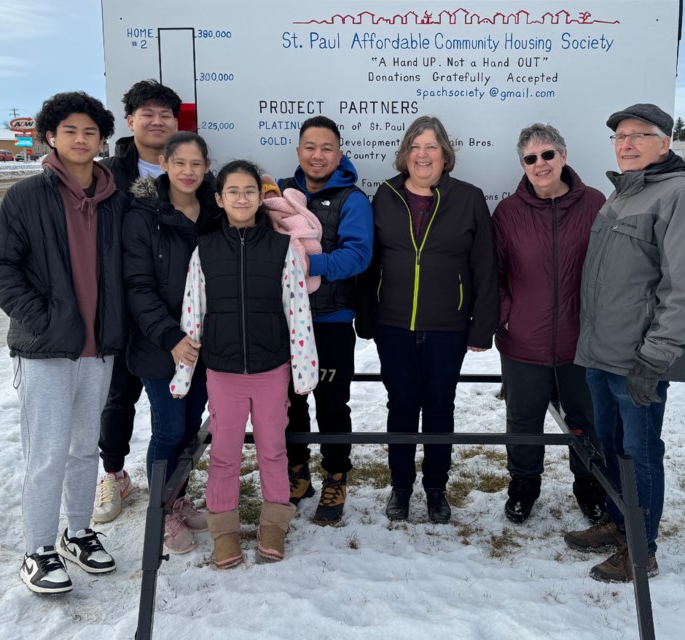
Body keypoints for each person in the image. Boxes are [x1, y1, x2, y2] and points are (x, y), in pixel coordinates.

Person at [0, 91, 130, 594]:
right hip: (45, 348)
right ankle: (38, 548)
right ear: (51, 136)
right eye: (70, 130)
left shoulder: (116, 199)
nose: (81, 139)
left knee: (85, 448)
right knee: (46, 451)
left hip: (100, 345)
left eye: (90, 131)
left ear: (102, 138)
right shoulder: (26, 197)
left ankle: (79, 531)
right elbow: (0, 267)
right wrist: (38, 320)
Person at [564, 103, 685, 583]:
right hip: (601, 352)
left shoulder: (681, 195)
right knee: (610, 446)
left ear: (664, 143)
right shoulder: (624, 194)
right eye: (619, 137)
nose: (625, 144)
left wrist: (657, 356)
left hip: (638, 359)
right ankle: (616, 519)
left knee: (640, 452)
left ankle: (640, 548)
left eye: (638, 135)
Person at [170, 160, 319, 568]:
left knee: (273, 450)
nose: (241, 197)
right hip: (223, 371)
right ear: (219, 199)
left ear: (261, 197)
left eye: (250, 190)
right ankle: (224, 530)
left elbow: (298, 310)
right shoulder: (206, 250)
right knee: (225, 455)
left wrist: (304, 368)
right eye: (232, 191)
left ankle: (274, 524)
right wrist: (184, 371)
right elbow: (192, 312)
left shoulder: (282, 249)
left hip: (271, 370)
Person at [359, 115, 498, 524]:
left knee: (440, 407)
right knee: (401, 405)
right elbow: (370, 264)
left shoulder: (469, 198)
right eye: (416, 147)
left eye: (431, 147)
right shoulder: (383, 196)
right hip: (393, 324)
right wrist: (367, 318)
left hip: (447, 326)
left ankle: (436, 488)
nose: (423, 155)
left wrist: (481, 327)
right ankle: (400, 487)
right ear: (405, 155)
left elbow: (485, 268)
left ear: (445, 155)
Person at [492, 123, 608, 525]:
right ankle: (524, 484)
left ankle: (589, 484)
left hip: (582, 341)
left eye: (547, 155)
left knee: (585, 418)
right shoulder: (507, 212)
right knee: (523, 419)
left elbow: (609, 269)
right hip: (524, 340)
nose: (540, 164)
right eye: (530, 158)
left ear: (563, 156)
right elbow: (496, 273)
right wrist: (508, 315)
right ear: (522, 164)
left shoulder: (595, 203)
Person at [122, 131, 222, 554]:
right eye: (179, 163)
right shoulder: (143, 214)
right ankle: (161, 512)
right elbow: (138, 286)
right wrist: (171, 337)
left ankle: (177, 496)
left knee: (190, 429)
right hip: (161, 345)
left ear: (206, 166)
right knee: (168, 429)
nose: (188, 172)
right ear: (164, 164)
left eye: (196, 164)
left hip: (206, 345)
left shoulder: (216, 211)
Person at [276, 116, 374, 526]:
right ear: (298, 151)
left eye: (327, 148)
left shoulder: (353, 199)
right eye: (310, 147)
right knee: (290, 403)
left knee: (333, 404)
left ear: (339, 153)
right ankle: (297, 476)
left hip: (332, 320)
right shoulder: (281, 194)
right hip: (285, 320)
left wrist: (304, 263)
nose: (318, 155)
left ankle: (336, 477)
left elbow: (358, 256)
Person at [94, 79, 183, 524]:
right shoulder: (108, 174)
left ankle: (172, 490)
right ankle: (113, 473)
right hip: (118, 305)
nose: (156, 121)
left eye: (165, 114)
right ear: (130, 121)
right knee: (118, 396)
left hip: (170, 311)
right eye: (146, 113)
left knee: (175, 406)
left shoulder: (188, 169)